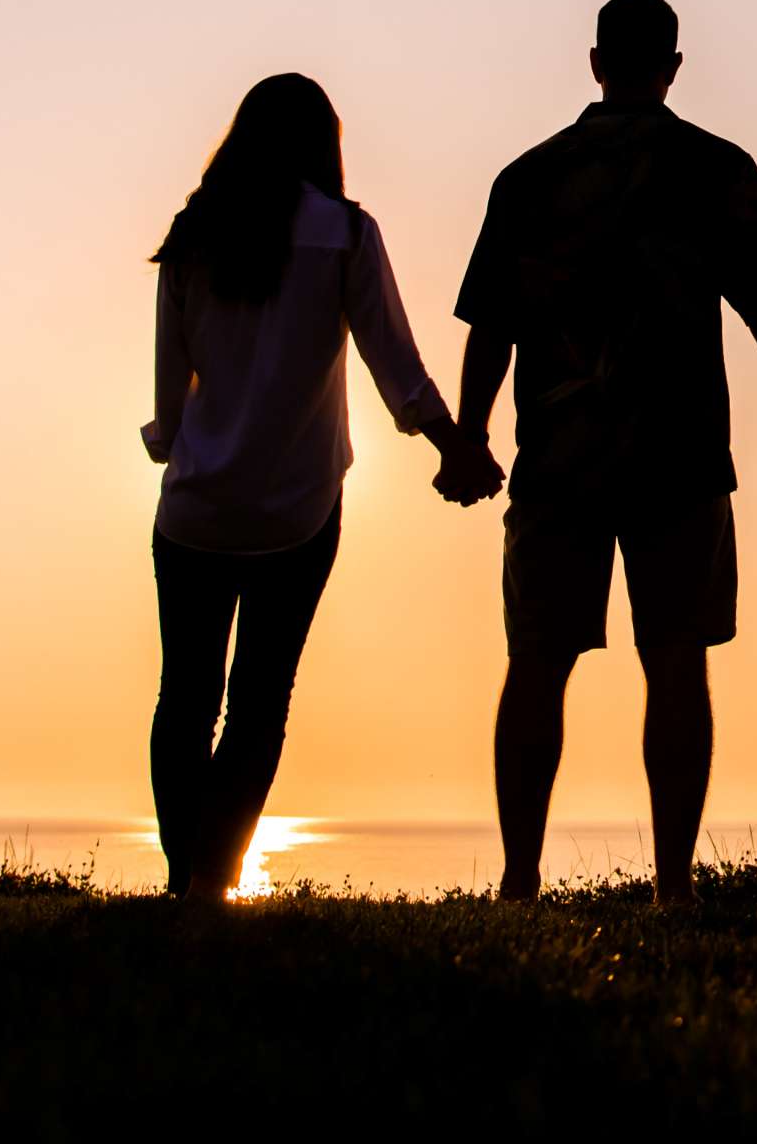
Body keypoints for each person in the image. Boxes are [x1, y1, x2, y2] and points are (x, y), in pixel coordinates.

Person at [438, 0, 757, 906]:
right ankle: (673, 885)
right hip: (680, 456)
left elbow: (491, 328)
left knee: (537, 664)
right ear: (673, 67)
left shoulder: (528, 177)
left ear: (595, 62)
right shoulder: (714, 167)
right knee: (677, 661)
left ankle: (519, 880)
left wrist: (470, 439)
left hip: (558, 456)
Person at [142, 73, 475, 900]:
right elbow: (396, 367)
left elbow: (165, 402)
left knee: (185, 697)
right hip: (298, 510)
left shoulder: (194, 235)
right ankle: (210, 885)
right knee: (260, 701)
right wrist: (454, 448)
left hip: (194, 513)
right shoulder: (346, 236)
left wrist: (175, 445)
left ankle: (185, 879)